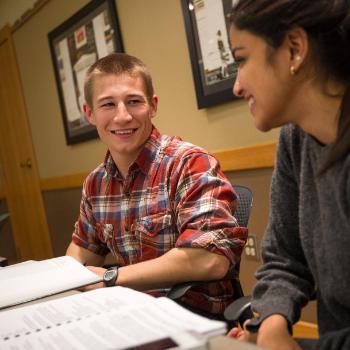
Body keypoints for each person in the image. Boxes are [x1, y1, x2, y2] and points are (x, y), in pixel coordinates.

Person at [66, 52, 248, 320]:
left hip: (194, 317)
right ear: (89, 113)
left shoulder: (189, 163)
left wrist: (111, 277)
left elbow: (210, 259)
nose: (123, 116)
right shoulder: (96, 183)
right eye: (108, 104)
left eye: (133, 102)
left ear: (152, 105)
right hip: (130, 314)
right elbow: (80, 256)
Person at [227, 0, 350, 349]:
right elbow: (285, 258)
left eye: (242, 59)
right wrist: (269, 325)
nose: (236, 87)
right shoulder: (296, 140)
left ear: (294, 49)